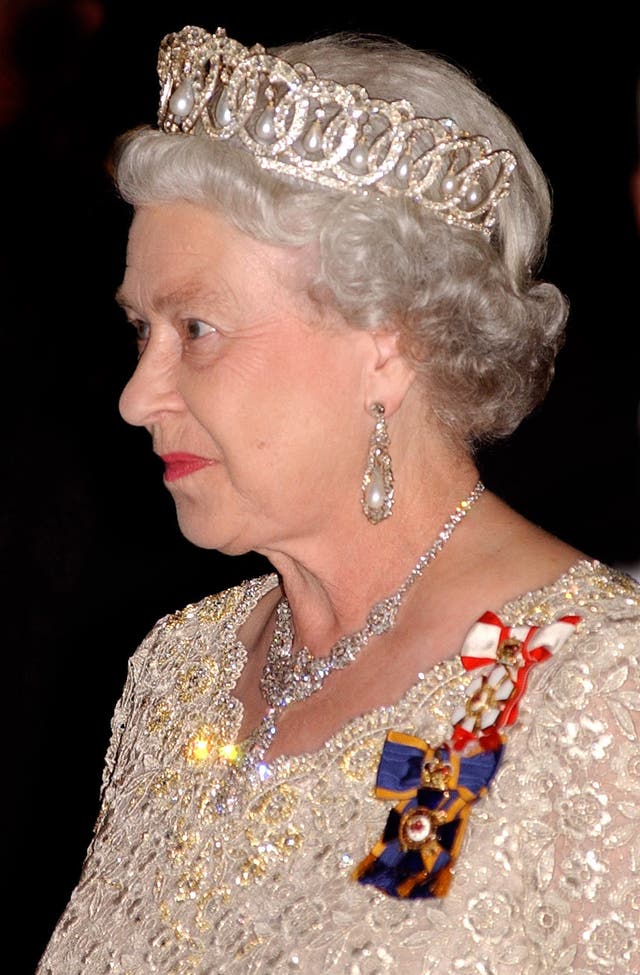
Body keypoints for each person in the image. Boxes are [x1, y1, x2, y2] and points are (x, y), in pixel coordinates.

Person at [36, 23, 640, 975]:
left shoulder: (591, 694)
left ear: (387, 344)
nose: (135, 396)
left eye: (195, 327)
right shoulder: (179, 667)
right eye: (139, 330)